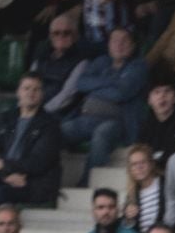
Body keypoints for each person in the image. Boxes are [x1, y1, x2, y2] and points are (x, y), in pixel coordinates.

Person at [55, 29, 147, 186]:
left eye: (124, 41)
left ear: (132, 46)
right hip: (86, 118)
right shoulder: (101, 61)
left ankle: (87, 182)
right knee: (58, 131)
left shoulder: (138, 66)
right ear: (109, 45)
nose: (119, 45)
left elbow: (122, 93)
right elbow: (81, 83)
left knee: (101, 134)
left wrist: (96, 86)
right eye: (114, 41)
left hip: (118, 122)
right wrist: (112, 81)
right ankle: (52, 183)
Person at [0, 74, 63, 210]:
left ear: (42, 94)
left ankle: (4, 228)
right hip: (5, 175)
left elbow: (38, 162)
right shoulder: (6, 118)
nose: (31, 93)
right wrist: (6, 174)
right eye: (26, 88)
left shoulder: (50, 124)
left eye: (36, 89)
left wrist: (4, 165)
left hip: (30, 182)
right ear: (18, 92)